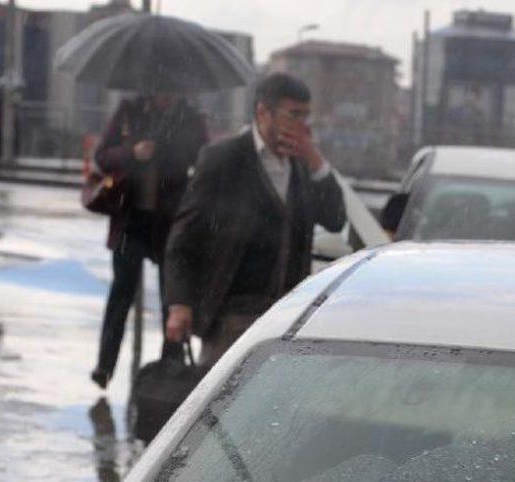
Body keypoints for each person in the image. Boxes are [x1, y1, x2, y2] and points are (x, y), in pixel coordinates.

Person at [164, 73, 345, 366]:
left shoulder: (303, 164)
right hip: (231, 312)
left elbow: (336, 219)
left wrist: (315, 159)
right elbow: (184, 237)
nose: (302, 125)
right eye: (293, 115)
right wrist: (179, 303)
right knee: (219, 403)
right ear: (263, 112)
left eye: (306, 116)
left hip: (288, 313)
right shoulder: (223, 159)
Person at [91, 93, 208, 389]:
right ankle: (105, 365)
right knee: (121, 291)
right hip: (130, 219)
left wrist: (166, 152)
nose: (164, 95)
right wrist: (133, 152)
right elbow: (103, 155)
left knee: (173, 295)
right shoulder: (130, 111)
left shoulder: (191, 118)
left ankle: (171, 364)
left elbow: (202, 161)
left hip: (170, 221)